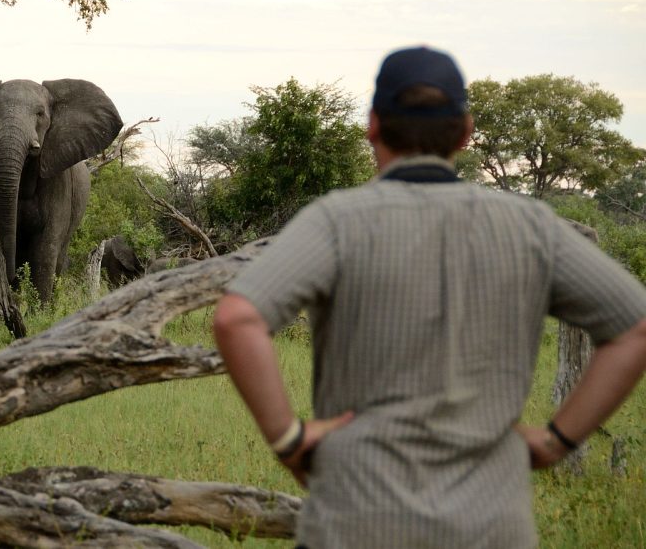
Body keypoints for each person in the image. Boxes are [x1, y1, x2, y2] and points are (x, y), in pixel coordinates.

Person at [212, 46, 646, 548]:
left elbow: (237, 318)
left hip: (356, 518)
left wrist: (287, 439)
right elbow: (635, 327)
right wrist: (558, 440)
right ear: (465, 132)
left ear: (373, 125)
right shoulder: (531, 227)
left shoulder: (337, 220)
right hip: (491, 526)